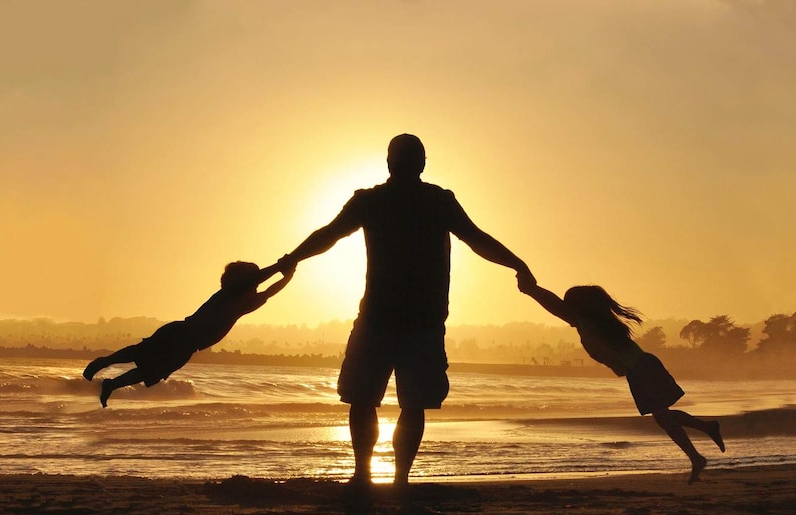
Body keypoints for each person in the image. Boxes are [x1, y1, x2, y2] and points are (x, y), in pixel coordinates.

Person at [275, 134, 534, 487]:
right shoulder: (433, 202)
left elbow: (329, 235)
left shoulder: (378, 202)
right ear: (422, 164)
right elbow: (476, 239)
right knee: (406, 404)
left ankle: (365, 475)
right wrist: (517, 264)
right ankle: (396, 480)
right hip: (415, 321)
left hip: (386, 320)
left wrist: (292, 259)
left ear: (389, 163)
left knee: (366, 399)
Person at [520, 282, 725, 484]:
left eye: (569, 303)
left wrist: (532, 289)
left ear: (578, 306)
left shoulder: (588, 322)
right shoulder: (597, 322)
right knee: (663, 417)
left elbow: (553, 305)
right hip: (641, 368)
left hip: (642, 368)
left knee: (662, 417)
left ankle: (698, 451)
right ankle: (704, 434)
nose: (566, 308)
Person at [83, 261, 294, 407]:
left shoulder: (244, 305)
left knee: (151, 372)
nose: (256, 287)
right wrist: (278, 266)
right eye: (253, 283)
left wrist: (288, 275)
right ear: (242, 282)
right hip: (180, 332)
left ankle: (111, 385)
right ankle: (103, 362)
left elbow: (269, 292)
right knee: (140, 352)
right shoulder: (227, 294)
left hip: (188, 347)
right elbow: (254, 280)